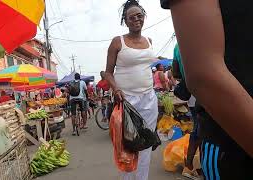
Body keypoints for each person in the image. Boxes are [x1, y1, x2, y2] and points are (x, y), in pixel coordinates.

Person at [161, 0, 253, 179]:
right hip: (233, 138)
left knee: (195, 131)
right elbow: (203, 77)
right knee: (196, 131)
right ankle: (189, 164)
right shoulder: (178, 49)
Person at [104, 0, 158, 179]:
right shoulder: (117, 42)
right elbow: (108, 73)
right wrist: (116, 88)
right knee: (127, 145)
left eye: (139, 16)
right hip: (127, 101)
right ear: (125, 21)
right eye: (131, 17)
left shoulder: (149, 41)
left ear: (144, 18)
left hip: (149, 99)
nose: (136, 19)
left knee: (146, 143)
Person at [172, 44, 200, 178]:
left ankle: (190, 165)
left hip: (191, 93)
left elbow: (175, 73)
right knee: (204, 131)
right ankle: (192, 166)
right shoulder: (205, 37)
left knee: (198, 129)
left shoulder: (177, 46)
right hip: (205, 91)